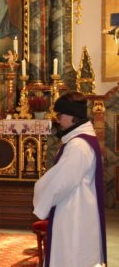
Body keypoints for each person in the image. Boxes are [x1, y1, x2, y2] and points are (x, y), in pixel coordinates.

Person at [33, 91, 107, 267]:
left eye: (60, 115)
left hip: (74, 212)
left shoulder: (78, 146)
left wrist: (40, 189)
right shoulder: (80, 140)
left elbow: (61, 183)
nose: (57, 119)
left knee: (71, 256)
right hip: (77, 207)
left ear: (72, 116)